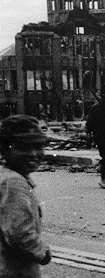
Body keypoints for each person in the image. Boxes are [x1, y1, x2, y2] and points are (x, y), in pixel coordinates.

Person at [0, 115, 52, 277]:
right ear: (4, 149)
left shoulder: (6, 176)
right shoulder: (14, 183)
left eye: (38, 147)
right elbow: (19, 233)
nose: (33, 154)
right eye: (23, 148)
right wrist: (43, 252)